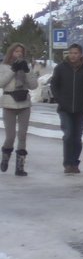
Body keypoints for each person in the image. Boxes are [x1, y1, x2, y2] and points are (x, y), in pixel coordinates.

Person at [50, 43, 83, 174]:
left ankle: (74, 163)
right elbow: (54, 85)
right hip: (64, 108)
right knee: (68, 135)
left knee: (77, 137)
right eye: (71, 53)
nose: (73, 55)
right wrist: (59, 99)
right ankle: (68, 164)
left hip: (80, 108)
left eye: (75, 53)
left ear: (80, 54)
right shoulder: (61, 68)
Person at [1, 43, 37, 177]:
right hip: (9, 103)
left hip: (24, 103)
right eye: (16, 51)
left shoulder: (26, 66)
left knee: (22, 135)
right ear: (11, 53)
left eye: (21, 51)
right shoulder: (4, 67)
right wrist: (12, 70)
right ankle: (5, 158)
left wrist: (26, 71)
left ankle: (20, 167)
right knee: (10, 136)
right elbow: (1, 83)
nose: (19, 54)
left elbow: (34, 85)